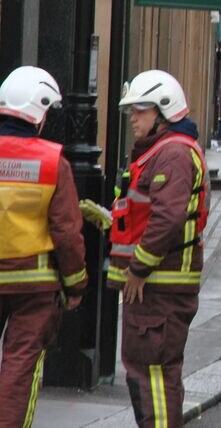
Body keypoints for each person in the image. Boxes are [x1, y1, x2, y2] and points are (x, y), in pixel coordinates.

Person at [106, 70, 210, 428]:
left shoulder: (173, 154)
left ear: (164, 111)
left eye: (141, 110)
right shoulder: (159, 152)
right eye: (131, 111)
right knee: (149, 374)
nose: (133, 118)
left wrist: (138, 268)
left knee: (154, 378)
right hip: (156, 286)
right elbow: (145, 214)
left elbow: (167, 218)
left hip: (159, 287)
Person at [0, 67, 87, 428]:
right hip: (33, 288)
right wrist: (76, 285)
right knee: (19, 371)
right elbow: (66, 232)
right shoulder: (53, 162)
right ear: (39, 110)